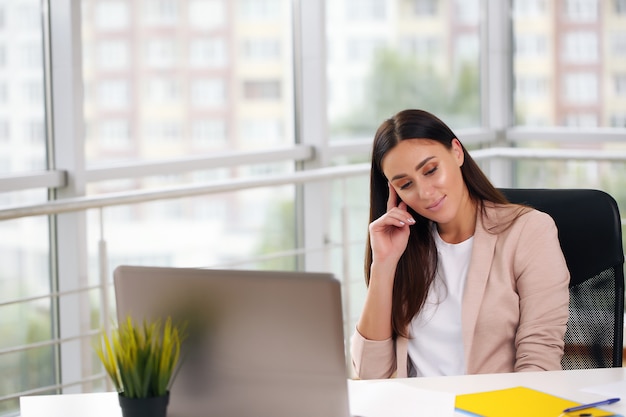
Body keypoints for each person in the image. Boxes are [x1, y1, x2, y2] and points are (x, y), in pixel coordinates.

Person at [350, 109, 570, 379]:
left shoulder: (529, 231)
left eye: (431, 170)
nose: (425, 193)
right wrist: (383, 264)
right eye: (406, 184)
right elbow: (370, 375)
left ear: (456, 152)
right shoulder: (407, 248)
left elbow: (539, 364)